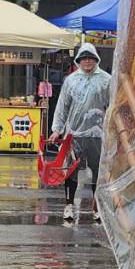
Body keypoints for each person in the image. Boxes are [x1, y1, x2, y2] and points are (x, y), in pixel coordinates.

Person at [48, 42, 110, 222]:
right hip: (73, 135)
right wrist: (56, 130)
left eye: (91, 58)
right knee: (70, 171)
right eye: (84, 58)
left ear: (96, 59)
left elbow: (113, 105)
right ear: (79, 61)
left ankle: (96, 207)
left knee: (98, 171)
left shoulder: (106, 80)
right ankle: (68, 205)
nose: (88, 62)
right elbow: (62, 107)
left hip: (97, 134)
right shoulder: (71, 80)